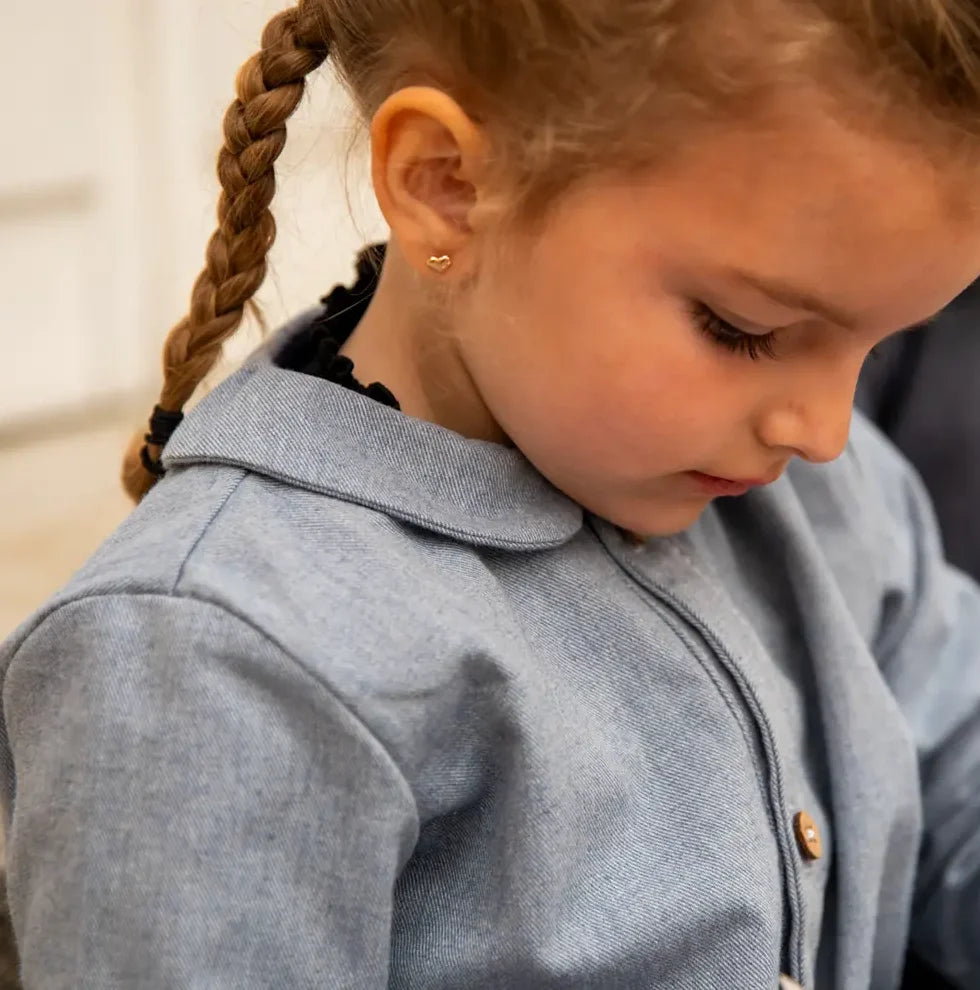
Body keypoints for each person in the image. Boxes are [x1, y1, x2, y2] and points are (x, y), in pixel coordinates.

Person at [3, 2, 980, 987]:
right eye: (741, 328)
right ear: (450, 187)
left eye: (878, 338)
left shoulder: (817, 489)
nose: (822, 426)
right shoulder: (214, 661)